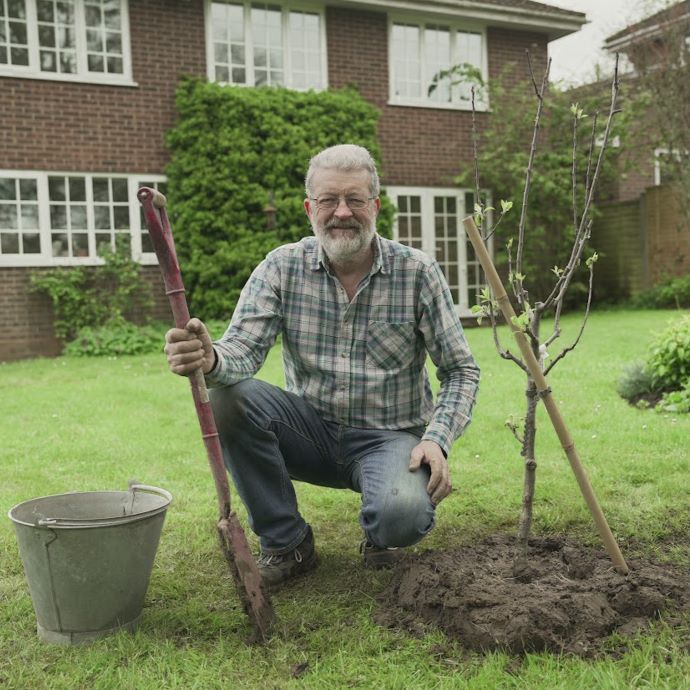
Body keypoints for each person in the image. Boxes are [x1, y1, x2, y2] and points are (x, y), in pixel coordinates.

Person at [164, 144, 480, 588]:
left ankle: (381, 534)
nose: (342, 212)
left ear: (376, 205)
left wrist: (437, 440)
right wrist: (209, 357)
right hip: (309, 431)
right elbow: (242, 352)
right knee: (229, 400)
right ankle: (288, 542)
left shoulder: (417, 272)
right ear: (310, 208)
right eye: (329, 200)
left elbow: (461, 370)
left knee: (402, 515)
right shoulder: (281, 267)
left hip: (389, 439)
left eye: (355, 200)